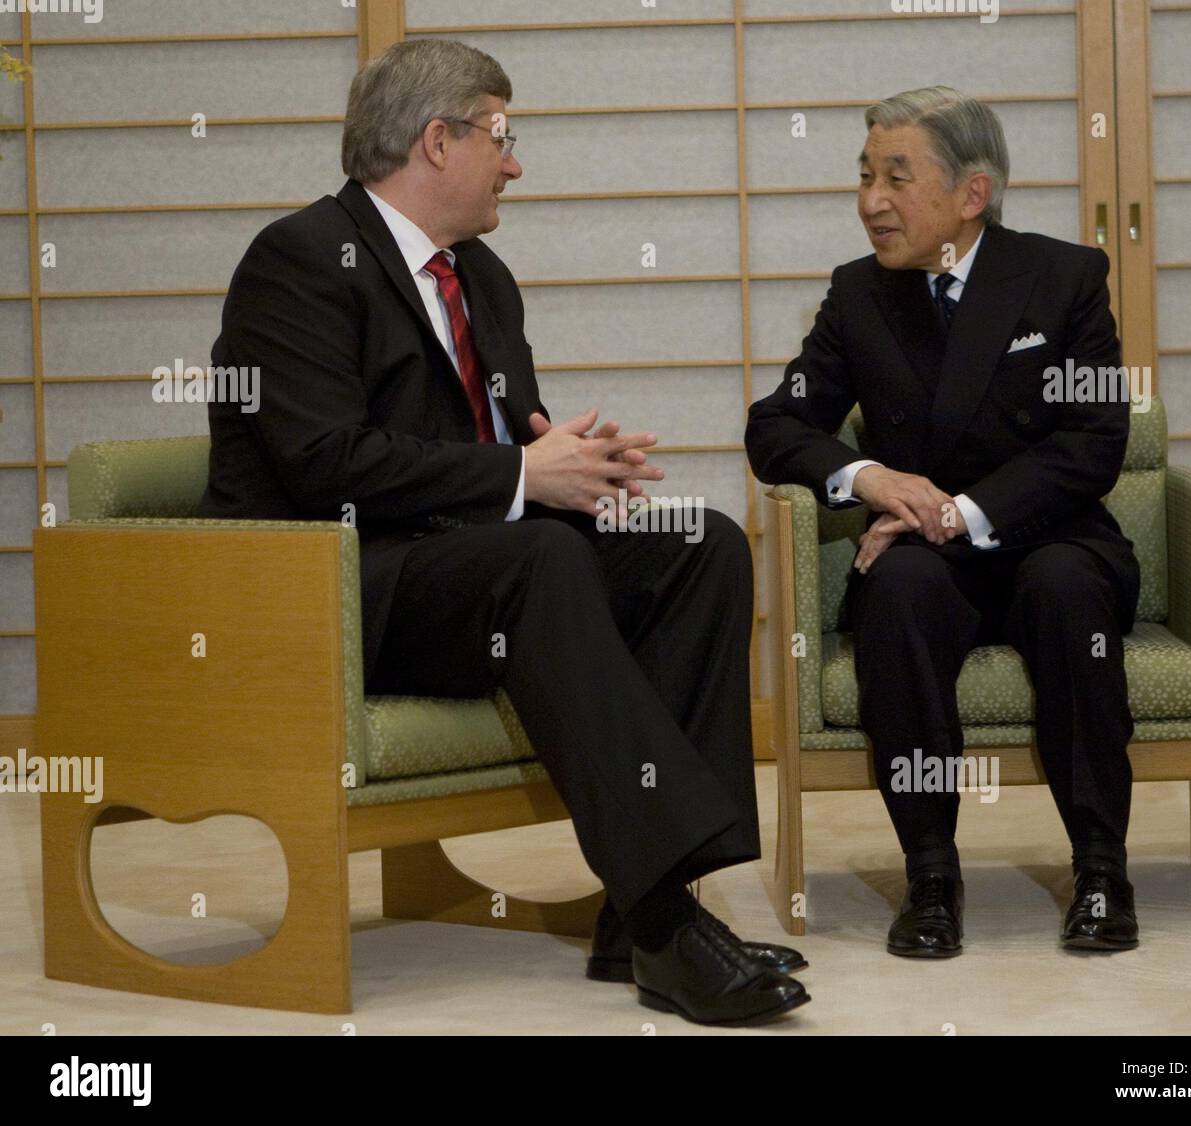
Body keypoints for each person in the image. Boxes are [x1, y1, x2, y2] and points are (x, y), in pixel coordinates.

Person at [198, 38, 808, 1025]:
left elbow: (505, 443)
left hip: (474, 565)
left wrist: (564, 466)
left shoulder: (481, 276)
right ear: (436, 141)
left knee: (700, 545)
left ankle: (637, 911)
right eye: (502, 136)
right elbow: (323, 462)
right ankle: (667, 928)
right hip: (339, 583)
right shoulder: (301, 260)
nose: (515, 162)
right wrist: (524, 476)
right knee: (542, 556)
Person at [746, 86, 1141, 958]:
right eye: (863, 176)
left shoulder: (1066, 277)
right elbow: (775, 426)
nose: (870, 202)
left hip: (1049, 534)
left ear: (972, 194)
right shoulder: (858, 296)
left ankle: (1104, 870)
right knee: (896, 589)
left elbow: (1094, 442)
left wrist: (957, 512)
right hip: (925, 556)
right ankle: (930, 876)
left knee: (1069, 587)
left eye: (896, 177)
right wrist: (869, 476)